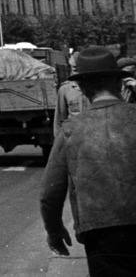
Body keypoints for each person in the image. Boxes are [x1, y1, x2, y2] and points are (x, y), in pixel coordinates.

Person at [41, 45, 136, 273]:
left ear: (82, 88)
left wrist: (55, 232)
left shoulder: (70, 129)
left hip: (100, 231)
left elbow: (49, 194)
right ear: (119, 83)